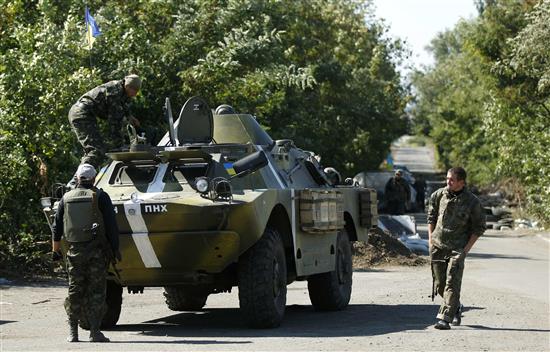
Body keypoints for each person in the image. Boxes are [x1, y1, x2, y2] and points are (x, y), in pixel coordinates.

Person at [52, 163, 120, 342]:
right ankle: (95, 332)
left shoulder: (66, 198)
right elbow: (112, 227)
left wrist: (55, 251)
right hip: (97, 252)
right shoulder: (100, 196)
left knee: (75, 290)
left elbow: (57, 227)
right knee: (96, 291)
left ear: (77, 178)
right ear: (94, 178)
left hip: (74, 252)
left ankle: (73, 332)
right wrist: (115, 249)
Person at [427, 167, 486, 330]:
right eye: (447, 179)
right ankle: (456, 306)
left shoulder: (472, 202)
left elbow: (479, 227)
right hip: (438, 245)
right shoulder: (438, 195)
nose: (448, 182)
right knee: (440, 284)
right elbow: (431, 216)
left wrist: (466, 250)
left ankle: (444, 318)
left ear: (461, 182)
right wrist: (430, 239)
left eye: (452, 180)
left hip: (457, 249)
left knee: (452, 283)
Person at [69, 74, 142, 168]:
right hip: (81, 114)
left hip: (85, 114)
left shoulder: (122, 90)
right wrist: (120, 146)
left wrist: (130, 117)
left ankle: (81, 176)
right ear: (128, 86)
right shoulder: (115, 91)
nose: (135, 94)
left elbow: (123, 107)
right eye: (134, 91)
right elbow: (115, 122)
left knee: (93, 150)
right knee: (96, 150)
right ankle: (80, 180)